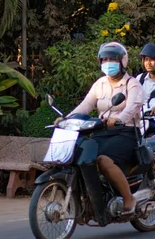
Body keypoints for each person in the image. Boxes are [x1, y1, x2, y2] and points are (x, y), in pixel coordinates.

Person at [56, 42, 144, 216]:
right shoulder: (100, 84)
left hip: (126, 133)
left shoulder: (132, 84)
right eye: (105, 59)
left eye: (112, 59)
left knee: (102, 159)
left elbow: (132, 107)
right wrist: (66, 119)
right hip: (103, 131)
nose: (108, 63)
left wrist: (118, 119)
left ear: (122, 62)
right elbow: (86, 105)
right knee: (82, 155)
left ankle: (128, 198)